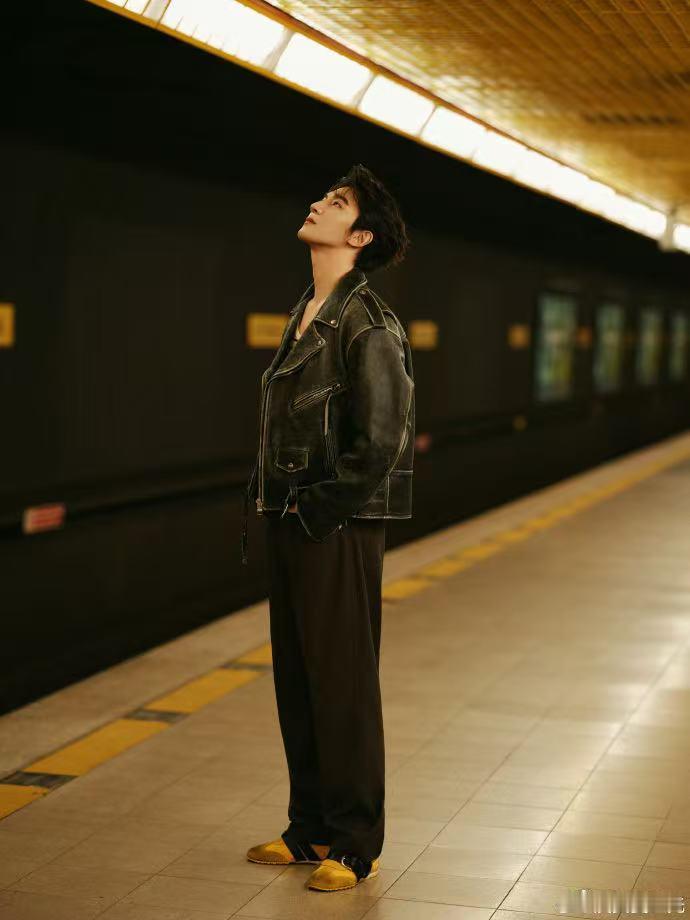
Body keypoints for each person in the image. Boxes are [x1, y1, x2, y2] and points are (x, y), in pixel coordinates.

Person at [242, 163, 414, 892]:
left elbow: (381, 441)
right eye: (322, 196)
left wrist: (318, 510)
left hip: (335, 522)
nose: (316, 204)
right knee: (299, 678)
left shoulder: (368, 322)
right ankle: (309, 827)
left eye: (336, 202)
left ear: (361, 236)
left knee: (342, 683)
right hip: (293, 516)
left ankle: (355, 842)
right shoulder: (307, 310)